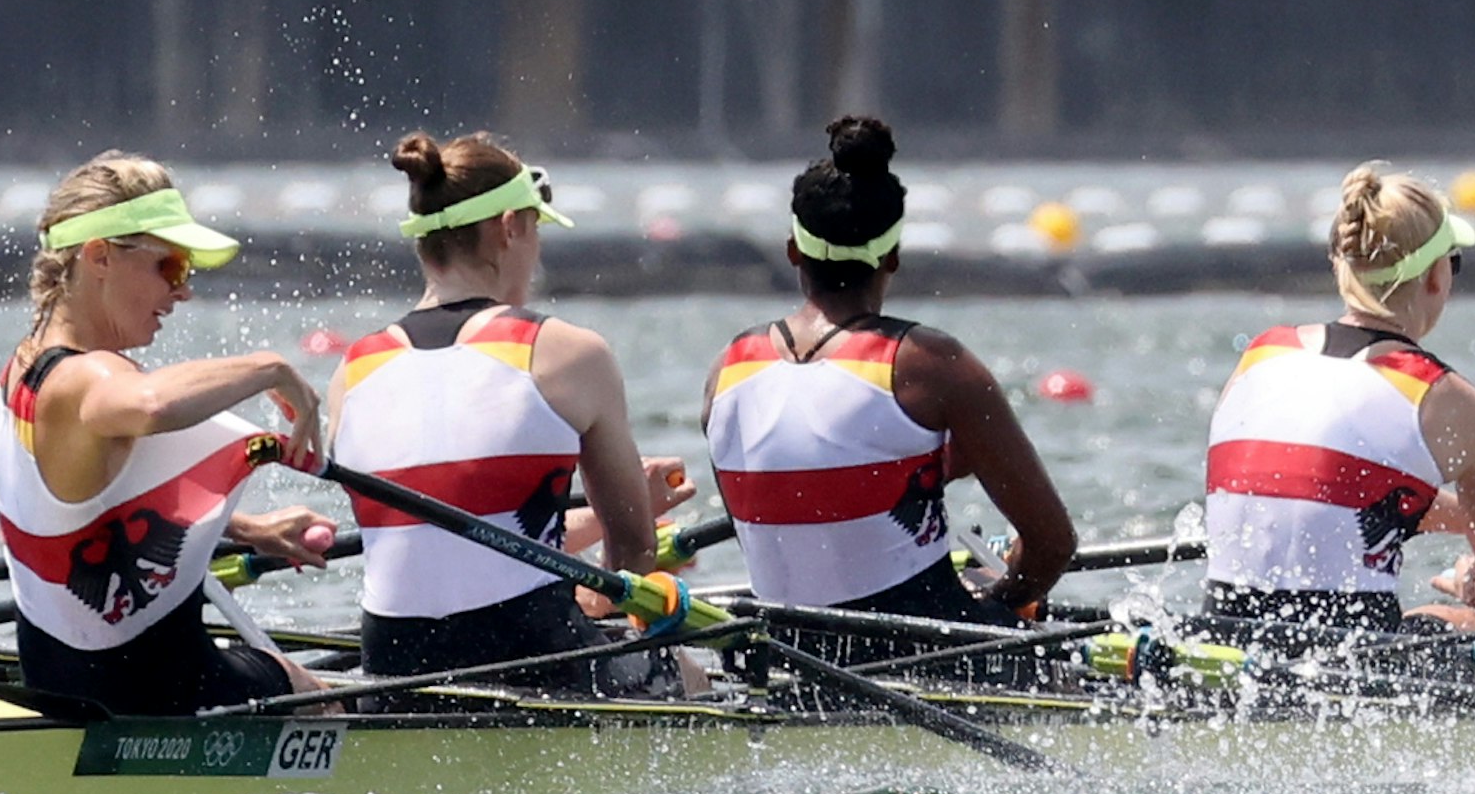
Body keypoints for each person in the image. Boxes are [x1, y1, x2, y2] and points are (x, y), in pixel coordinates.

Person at [326, 130, 698, 695]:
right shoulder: (568, 352)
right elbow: (633, 555)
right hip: (536, 658)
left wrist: (587, 528)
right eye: (537, 230)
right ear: (510, 228)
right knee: (695, 678)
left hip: (392, 666)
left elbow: (445, 544)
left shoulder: (351, 371)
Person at [702, 115, 1077, 655]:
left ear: (792, 250)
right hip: (925, 656)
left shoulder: (729, 368)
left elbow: (793, 530)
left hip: (788, 657)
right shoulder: (932, 364)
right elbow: (1052, 544)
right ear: (893, 258)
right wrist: (999, 605)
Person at [0, 151, 340, 715]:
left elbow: (78, 518)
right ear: (99, 256)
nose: (182, 292)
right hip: (163, 694)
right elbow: (149, 404)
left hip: (61, 686)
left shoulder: (22, 370)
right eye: (168, 267)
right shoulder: (90, 375)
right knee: (328, 699)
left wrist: (241, 526)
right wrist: (270, 368)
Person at [1203, 161, 1475, 634]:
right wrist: (1471, 579)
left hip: (1218, 643)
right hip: (1352, 661)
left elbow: (1326, 490)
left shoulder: (1261, 354)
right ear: (1437, 277)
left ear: (1341, 267)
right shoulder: (1447, 399)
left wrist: (1467, 520)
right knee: (1460, 620)